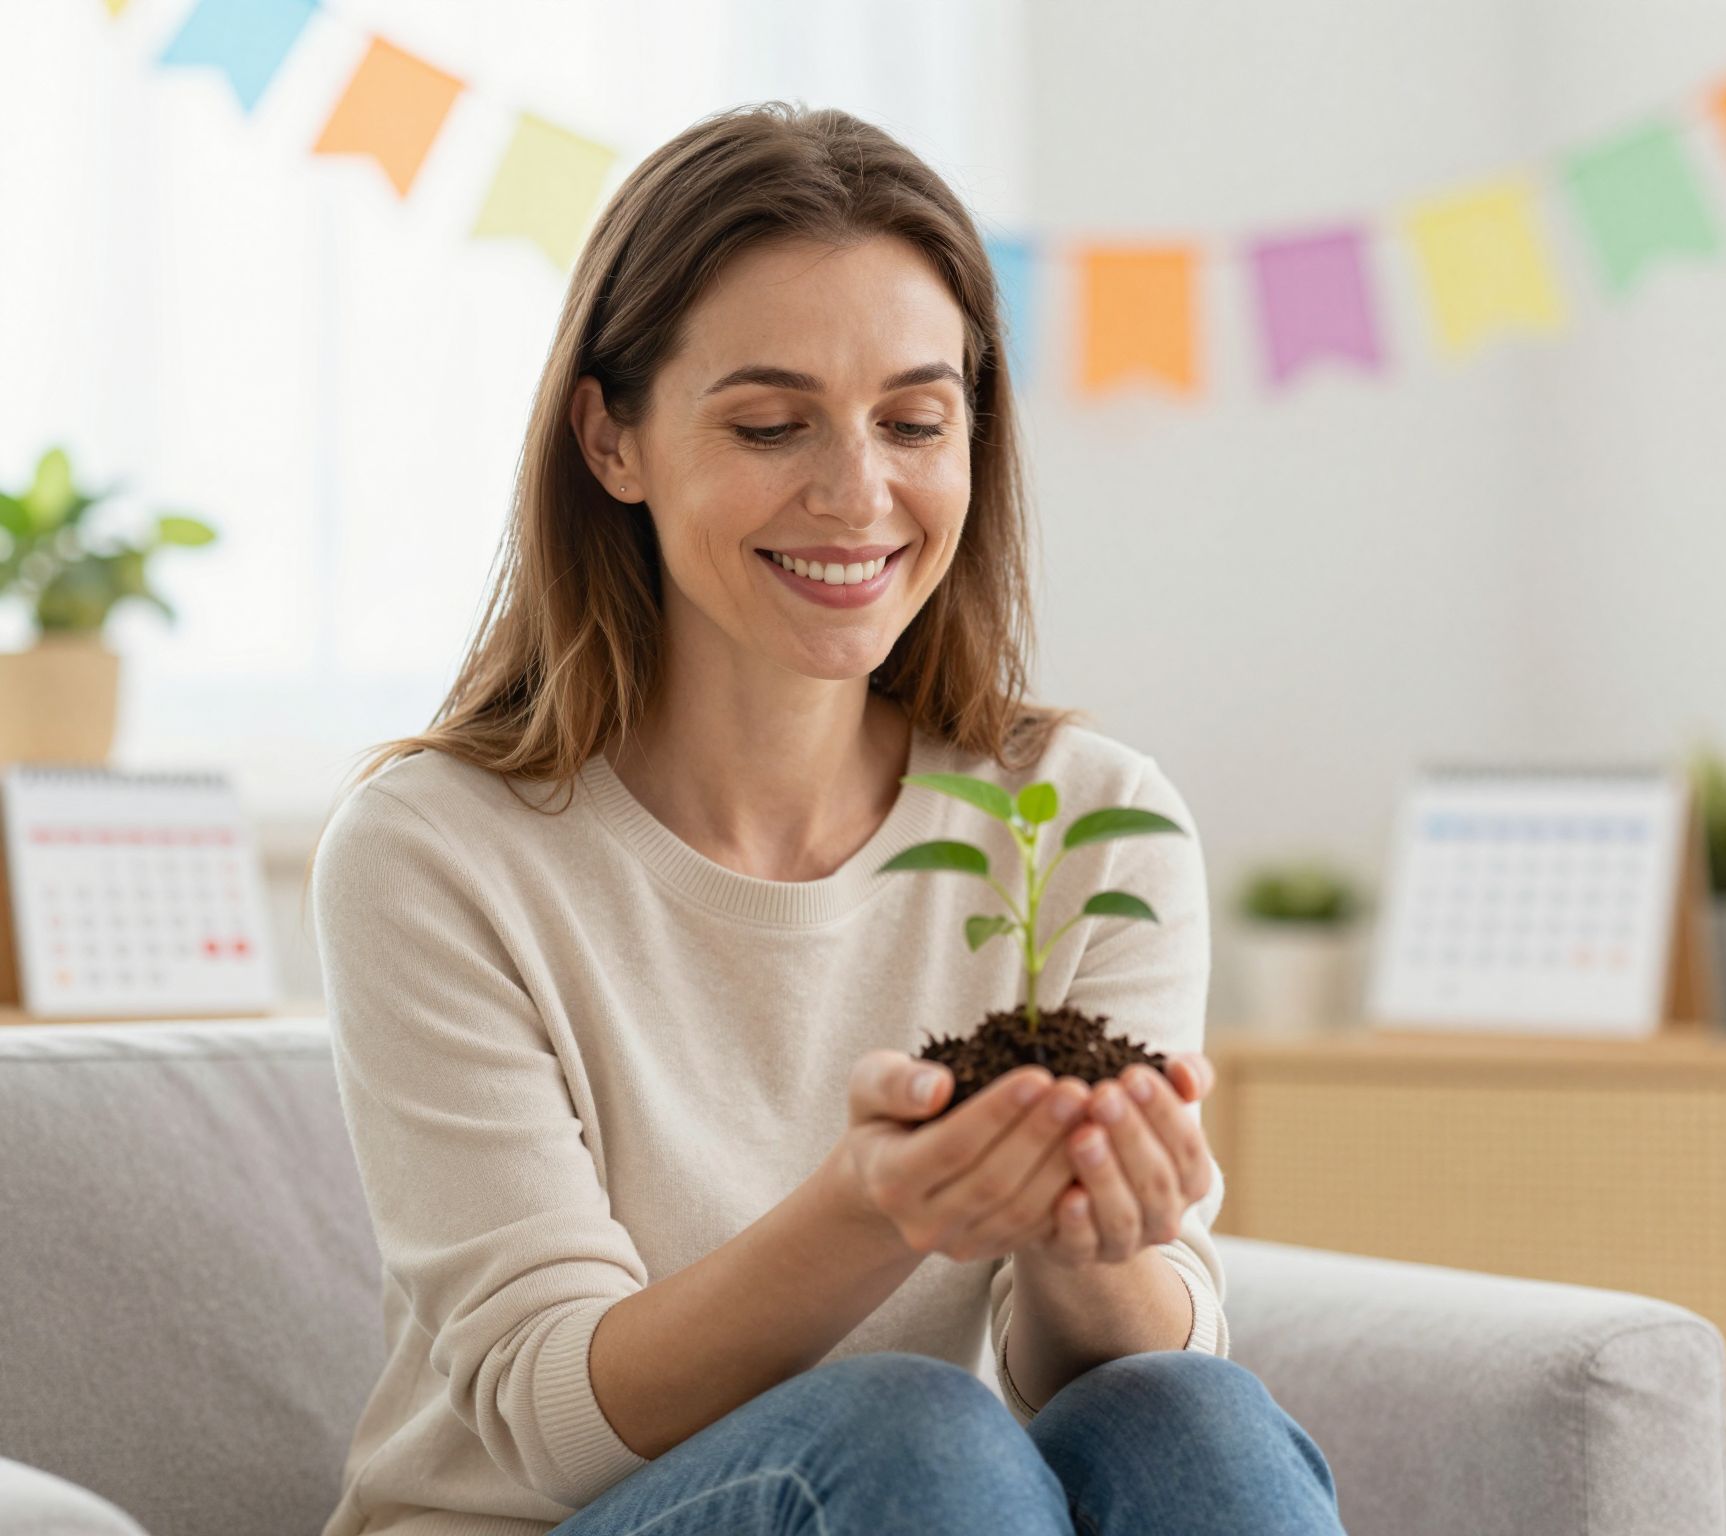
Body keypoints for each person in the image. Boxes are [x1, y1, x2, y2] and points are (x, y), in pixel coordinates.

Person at [307, 100, 1343, 1536]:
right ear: (612, 439)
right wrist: (878, 1206)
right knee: (916, 1430)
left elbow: (1097, 1374)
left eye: (914, 420)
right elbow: (553, 1424)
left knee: (1187, 1414)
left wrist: (1089, 1234)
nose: (857, 495)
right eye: (770, 424)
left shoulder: (1092, 824)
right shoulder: (437, 853)